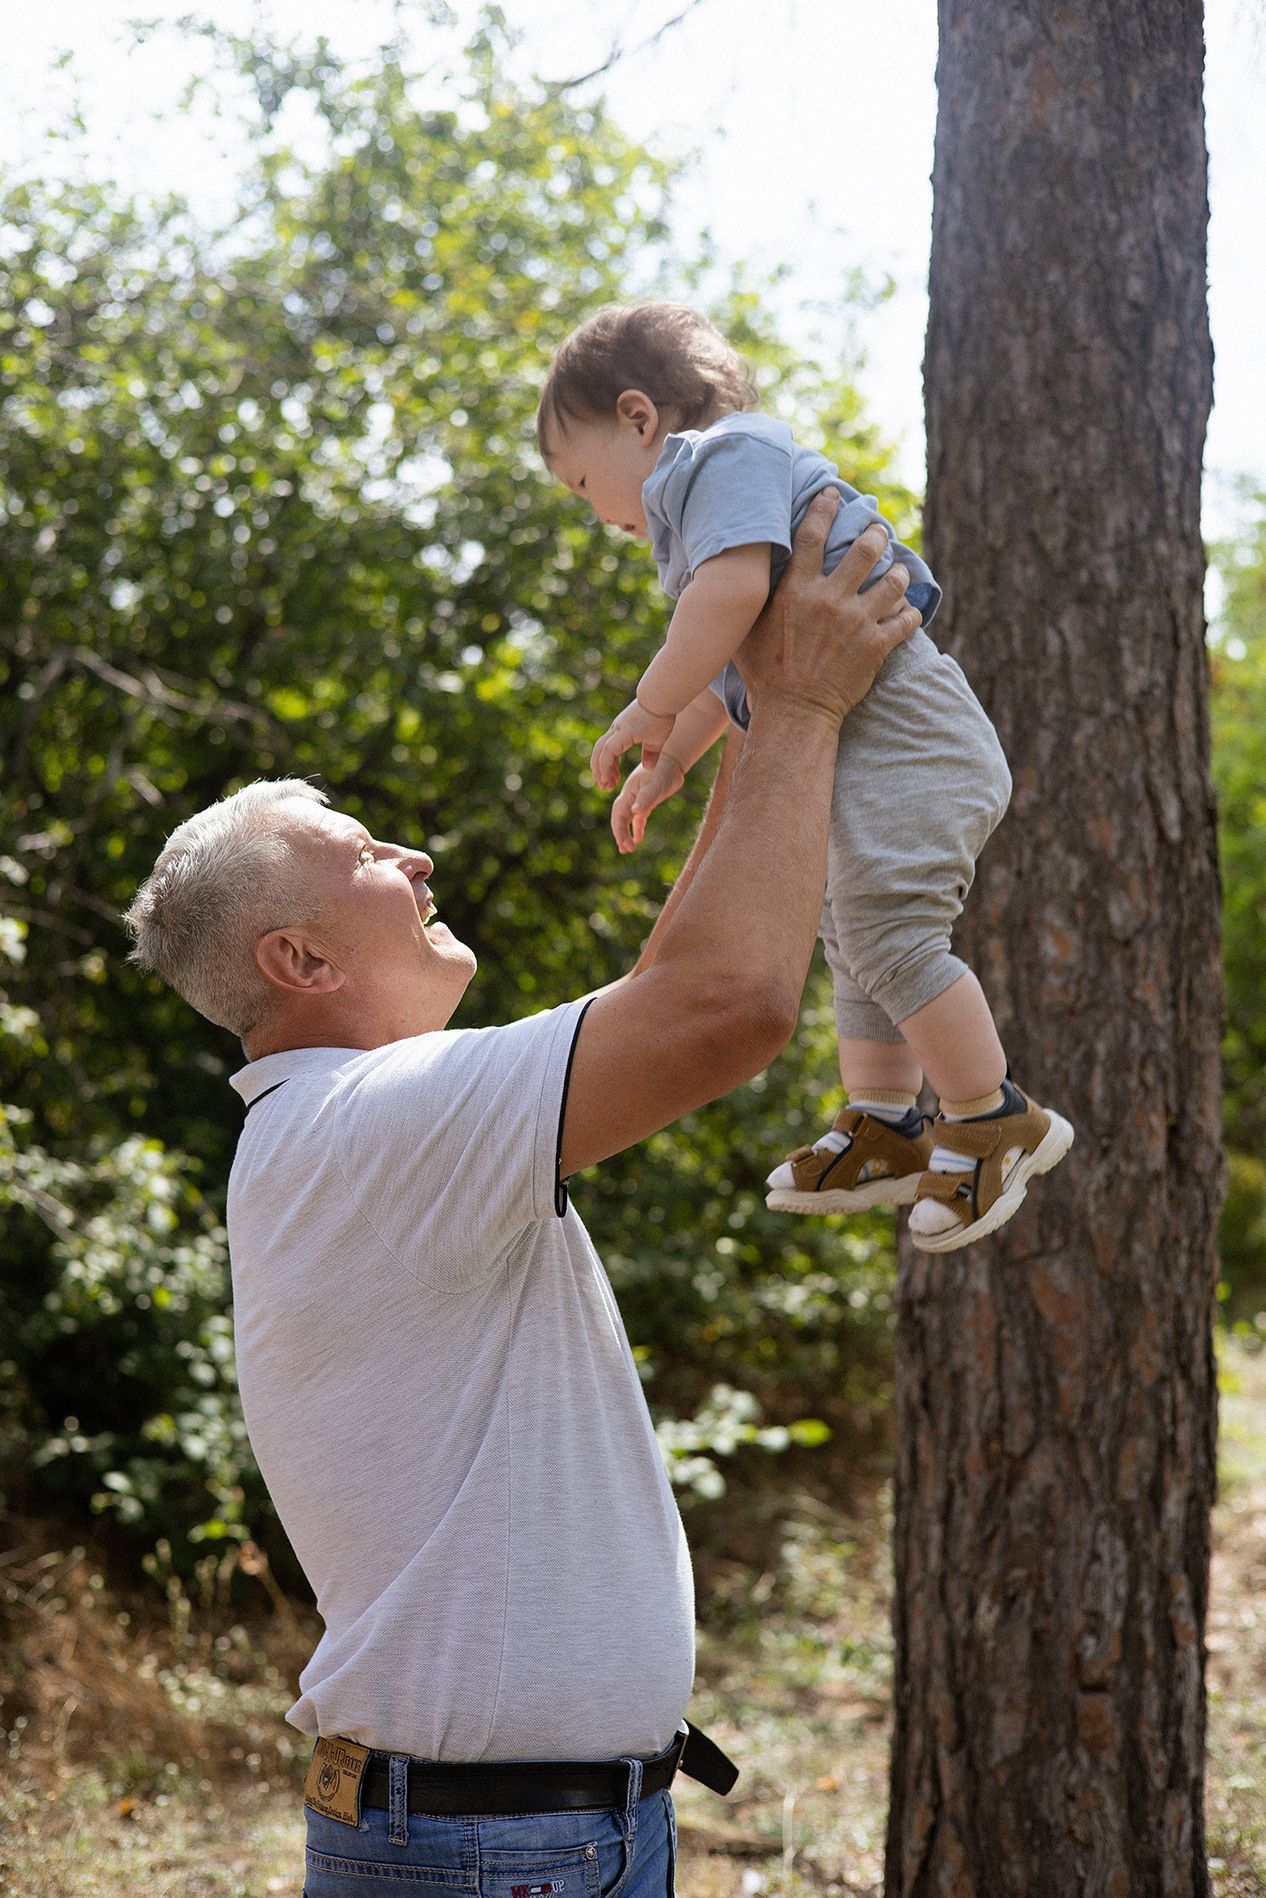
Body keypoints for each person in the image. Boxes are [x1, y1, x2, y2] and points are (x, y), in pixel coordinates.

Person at [123, 498, 918, 1898]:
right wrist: (793, 702)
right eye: (367, 851)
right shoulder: (365, 1125)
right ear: (298, 957)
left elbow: (677, 983)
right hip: (502, 1851)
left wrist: (734, 714)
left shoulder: (354, 1133)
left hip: (525, 1839)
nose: (414, 857)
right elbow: (719, 1007)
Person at [537, 302, 1073, 1250]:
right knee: (849, 929)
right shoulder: (707, 510)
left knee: (889, 930)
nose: (596, 514)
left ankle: (992, 1115)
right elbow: (737, 668)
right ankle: (888, 1122)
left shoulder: (723, 458)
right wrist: (671, 759)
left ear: (637, 417)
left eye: (583, 481)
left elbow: (733, 600)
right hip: (878, 751)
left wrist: (648, 705)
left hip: (912, 742)